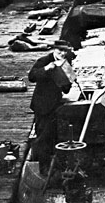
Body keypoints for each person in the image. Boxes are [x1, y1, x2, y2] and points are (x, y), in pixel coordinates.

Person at [28, 40, 76, 174]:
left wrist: (69, 80)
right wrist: (46, 69)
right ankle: (43, 169)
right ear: (54, 50)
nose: (62, 53)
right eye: (59, 50)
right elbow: (31, 76)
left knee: (53, 135)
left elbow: (66, 89)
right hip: (42, 105)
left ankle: (54, 166)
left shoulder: (66, 62)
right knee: (42, 137)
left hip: (55, 105)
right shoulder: (44, 60)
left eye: (64, 51)